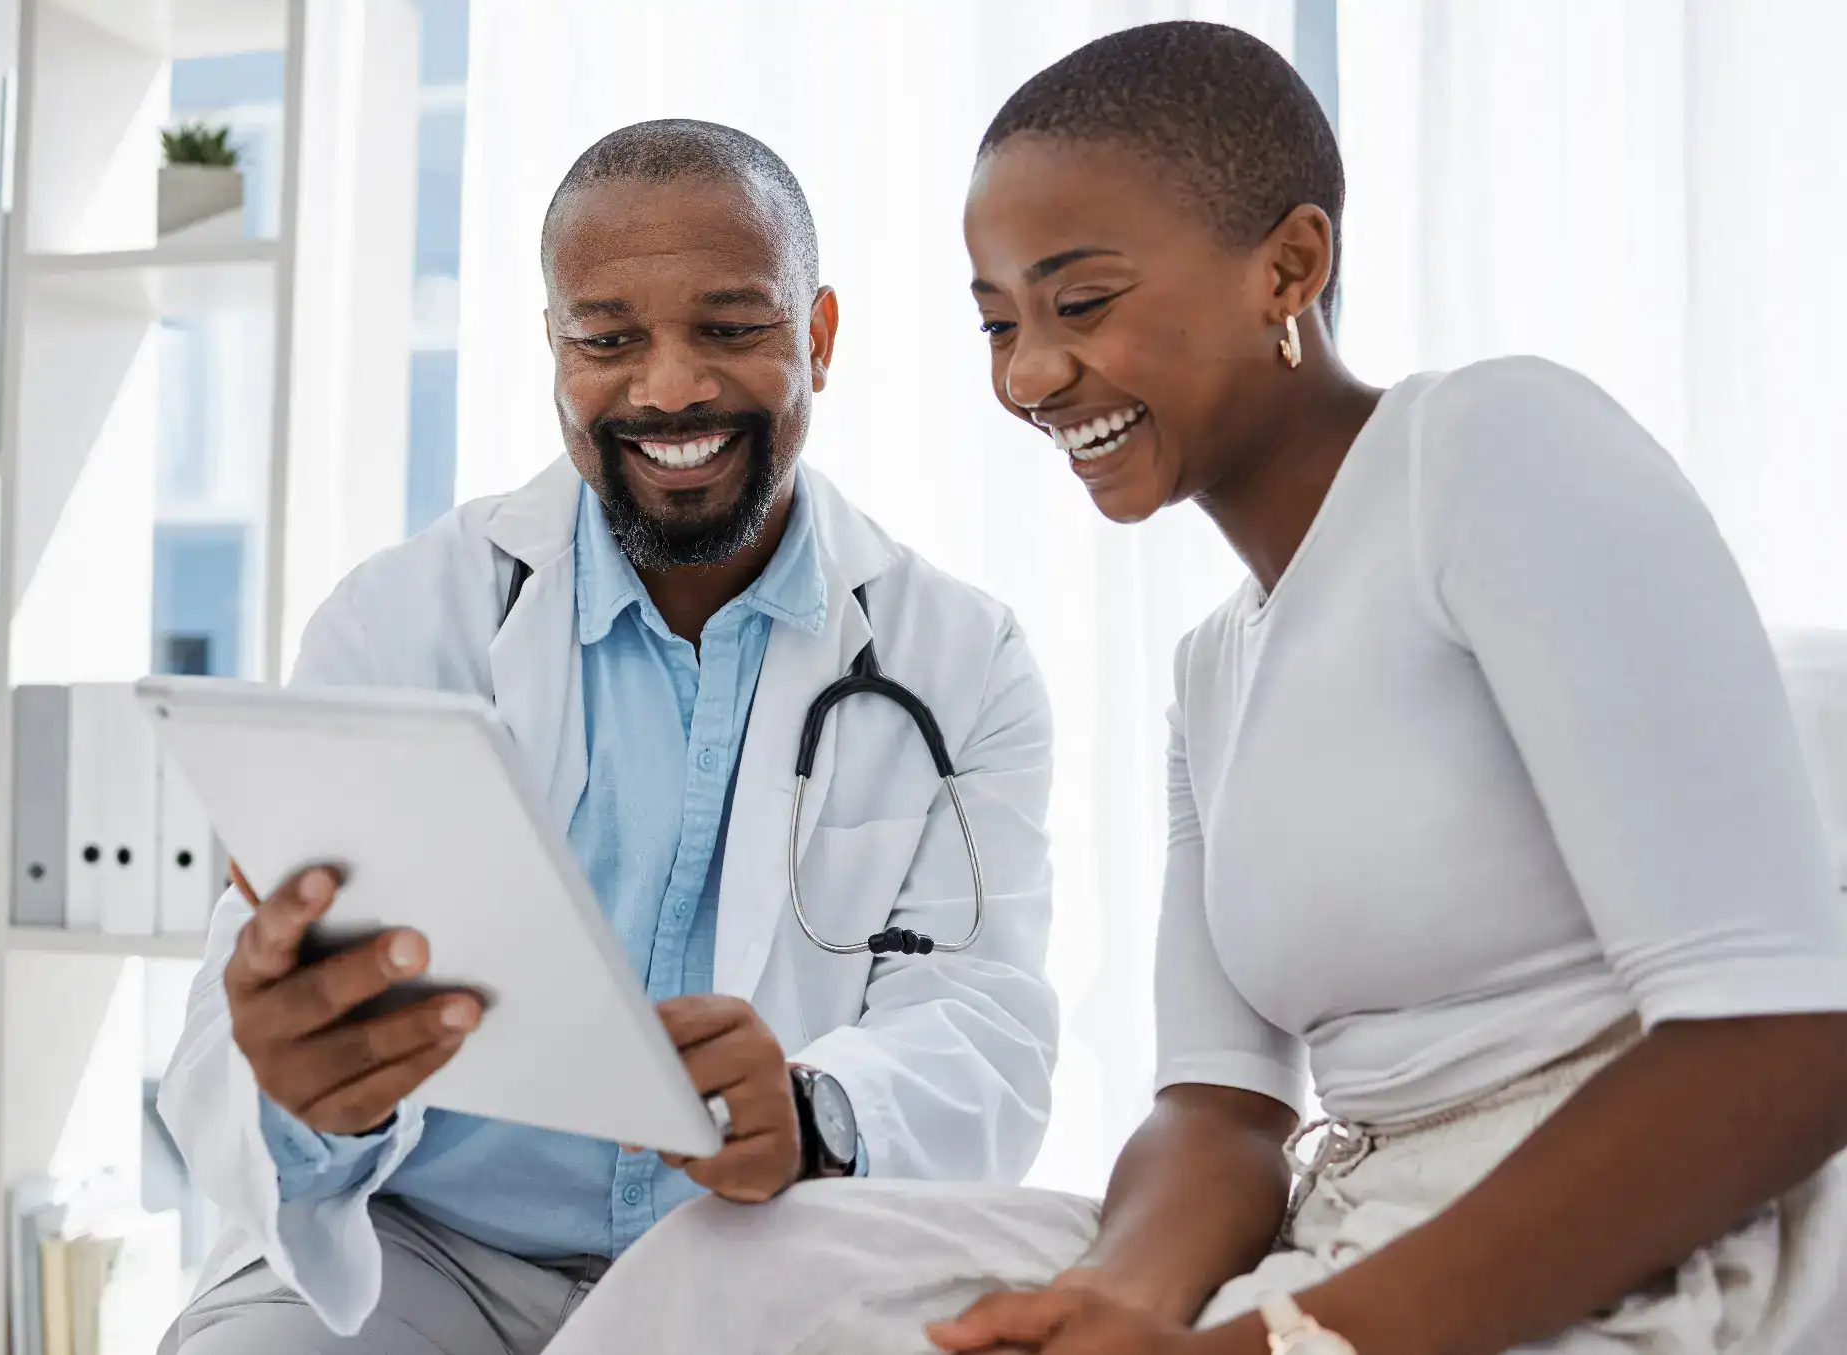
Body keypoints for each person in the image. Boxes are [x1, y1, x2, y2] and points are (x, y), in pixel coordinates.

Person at [540, 23, 1847, 1355]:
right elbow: (1220, 1108)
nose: (1031, 376)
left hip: (1603, 1246)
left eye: (1082, 302)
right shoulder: (1215, 665)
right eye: (998, 322)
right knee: (751, 1263)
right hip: (1344, 1232)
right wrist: (1113, 1301)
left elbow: (1784, 1042)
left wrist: (1272, 1343)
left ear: (1290, 264)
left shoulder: (1492, 448)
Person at [155, 118, 1061, 1355]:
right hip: (423, 1247)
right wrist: (303, 1095)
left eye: (732, 328)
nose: (670, 385)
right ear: (553, 349)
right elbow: (236, 1016)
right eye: (608, 337)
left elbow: (982, 1018)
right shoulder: (400, 620)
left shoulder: (959, 656)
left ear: (820, 335)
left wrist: (814, 1109)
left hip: (758, 1261)